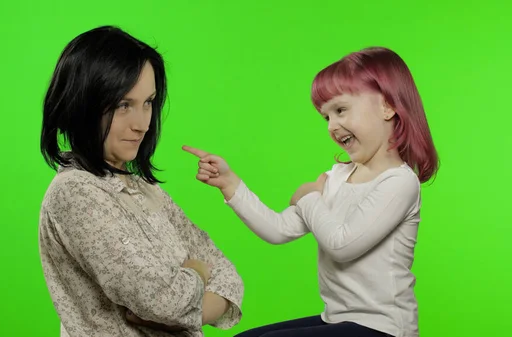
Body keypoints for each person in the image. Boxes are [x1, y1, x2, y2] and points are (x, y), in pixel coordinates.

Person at [183, 47, 438, 337]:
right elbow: (278, 230)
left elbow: (342, 246)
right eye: (326, 117)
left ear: (388, 106)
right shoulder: (337, 177)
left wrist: (309, 198)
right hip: (337, 320)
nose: (332, 126)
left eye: (340, 110)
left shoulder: (398, 183)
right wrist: (230, 184)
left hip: (383, 328)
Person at [38, 25, 243, 337]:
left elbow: (228, 278)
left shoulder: (141, 188)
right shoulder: (74, 192)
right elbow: (165, 302)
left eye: (148, 102)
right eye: (123, 105)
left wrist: (185, 304)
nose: (142, 124)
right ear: (82, 104)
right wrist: (197, 273)